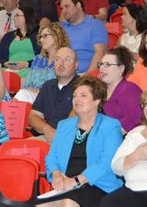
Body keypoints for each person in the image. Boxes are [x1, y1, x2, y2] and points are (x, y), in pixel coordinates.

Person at [45, 76, 123, 207]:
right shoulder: (64, 125)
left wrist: (75, 181)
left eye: (83, 95)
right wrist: (56, 174)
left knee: (68, 203)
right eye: (75, 95)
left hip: (97, 184)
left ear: (97, 100)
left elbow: (106, 163)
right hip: (66, 184)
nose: (77, 99)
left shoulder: (110, 125)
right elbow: (52, 157)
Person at [28, 47, 79, 142]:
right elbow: (33, 116)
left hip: (70, 138)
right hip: (46, 136)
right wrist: (46, 128)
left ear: (76, 65)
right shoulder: (47, 85)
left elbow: (77, 116)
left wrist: (57, 134)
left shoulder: (83, 86)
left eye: (67, 59)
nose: (61, 63)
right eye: (57, 59)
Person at [14, 23, 70, 103]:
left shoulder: (64, 60)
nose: (41, 40)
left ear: (56, 36)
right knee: (19, 95)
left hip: (52, 99)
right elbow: (28, 82)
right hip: (32, 96)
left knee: (21, 95)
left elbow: (64, 86)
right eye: (40, 37)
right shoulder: (38, 59)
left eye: (45, 36)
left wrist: (40, 92)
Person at [61, 0, 107, 74]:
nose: (63, 11)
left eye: (67, 6)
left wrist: (87, 78)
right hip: (62, 73)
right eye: (62, 8)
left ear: (78, 5)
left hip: (84, 74)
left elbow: (100, 53)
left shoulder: (95, 25)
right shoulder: (61, 27)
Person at [99, 47, 143, 134]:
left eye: (107, 64)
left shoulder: (129, 89)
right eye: (101, 64)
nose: (101, 68)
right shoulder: (100, 90)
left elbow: (134, 119)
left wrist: (106, 136)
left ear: (121, 69)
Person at [0, 6, 40, 78]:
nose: (13, 18)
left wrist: (26, 64)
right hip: (9, 70)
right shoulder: (8, 36)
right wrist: (5, 63)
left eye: (17, 15)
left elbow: (44, 57)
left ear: (27, 17)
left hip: (31, 69)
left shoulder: (38, 35)